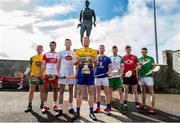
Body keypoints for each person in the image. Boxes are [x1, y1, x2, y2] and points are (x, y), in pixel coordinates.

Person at [72, 36, 98, 120]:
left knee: (91, 92)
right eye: (84, 40)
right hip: (81, 72)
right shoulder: (78, 51)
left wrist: (94, 61)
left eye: (87, 40)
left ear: (89, 41)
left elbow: (96, 63)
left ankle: (91, 112)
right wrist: (79, 60)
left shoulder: (94, 51)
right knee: (79, 92)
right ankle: (77, 112)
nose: (86, 41)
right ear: (82, 42)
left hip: (90, 72)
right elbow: (74, 62)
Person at [56, 39, 75, 116]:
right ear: (64, 44)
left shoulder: (74, 53)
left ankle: (70, 107)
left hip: (71, 74)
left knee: (71, 91)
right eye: (66, 43)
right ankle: (60, 109)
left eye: (69, 43)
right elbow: (58, 63)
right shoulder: (61, 52)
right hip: (62, 74)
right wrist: (58, 73)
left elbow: (75, 63)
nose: (68, 44)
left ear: (71, 44)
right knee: (61, 91)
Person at [24, 45, 45, 112]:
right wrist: (26, 73)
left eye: (40, 49)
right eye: (38, 49)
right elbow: (29, 67)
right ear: (36, 50)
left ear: (42, 50)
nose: (39, 50)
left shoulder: (44, 58)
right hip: (33, 76)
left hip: (41, 76)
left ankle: (42, 104)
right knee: (31, 91)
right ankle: (29, 105)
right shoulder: (32, 58)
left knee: (42, 91)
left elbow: (45, 67)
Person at [40, 41, 59, 113]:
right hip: (47, 74)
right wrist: (41, 74)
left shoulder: (58, 54)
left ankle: (55, 104)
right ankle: (45, 105)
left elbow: (59, 65)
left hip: (55, 74)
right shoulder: (46, 54)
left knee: (55, 90)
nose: (53, 46)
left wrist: (59, 73)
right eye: (51, 45)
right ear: (49, 46)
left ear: (55, 46)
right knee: (46, 90)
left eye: (54, 45)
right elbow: (43, 65)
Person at [93, 45, 112, 115]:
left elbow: (110, 67)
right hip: (97, 77)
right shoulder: (95, 58)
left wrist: (109, 71)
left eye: (102, 48)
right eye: (100, 48)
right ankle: (98, 107)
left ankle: (108, 108)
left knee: (107, 93)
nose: (101, 49)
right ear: (99, 49)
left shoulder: (107, 58)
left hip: (105, 77)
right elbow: (94, 66)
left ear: (104, 49)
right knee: (98, 93)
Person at [123, 45, 140, 111]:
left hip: (133, 75)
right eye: (126, 49)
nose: (128, 50)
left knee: (135, 91)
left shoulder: (135, 57)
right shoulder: (123, 58)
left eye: (129, 49)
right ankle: (125, 104)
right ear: (125, 50)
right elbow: (122, 67)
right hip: (126, 75)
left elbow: (138, 64)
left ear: (130, 50)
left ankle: (137, 104)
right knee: (126, 90)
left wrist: (139, 66)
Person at [138, 47, 156, 113]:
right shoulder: (139, 59)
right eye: (142, 52)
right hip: (141, 77)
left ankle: (153, 107)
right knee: (143, 92)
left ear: (147, 52)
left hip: (149, 77)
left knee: (151, 92)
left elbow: (154, 66)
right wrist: (139, 67)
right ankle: (143, 104)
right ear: (141, 52)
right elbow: (138, 68)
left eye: (145, 51)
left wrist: (153, 69)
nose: (144, 53)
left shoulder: (151, 58)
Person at [109, 46, 124, 112]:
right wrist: (109, 72)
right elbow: (108, 67)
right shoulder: (109, 58)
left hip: (118, 77)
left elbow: (122, 67)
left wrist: (121, 73)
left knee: (120, 92)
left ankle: (122, 106)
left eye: (115, 49)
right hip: (111, 77)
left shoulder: (120, 57)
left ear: (117, 50)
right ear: (112, 50)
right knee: (110, 92)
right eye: (113, 49)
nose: (114, 50)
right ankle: (108, 106)